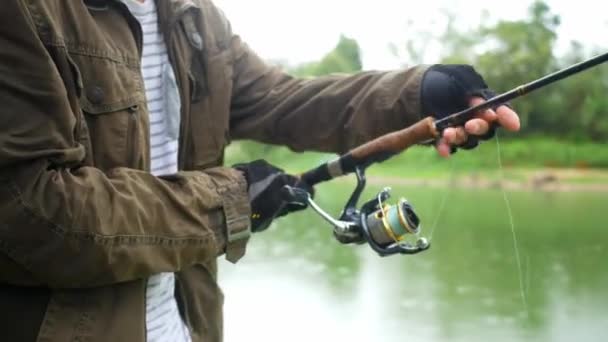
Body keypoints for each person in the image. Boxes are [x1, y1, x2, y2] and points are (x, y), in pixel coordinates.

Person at [0, 0, 520, 341]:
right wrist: (233, 199)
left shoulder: (191, 14)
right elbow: (33, 208)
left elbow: (278, 100)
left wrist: (420, 92)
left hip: (188, 326)